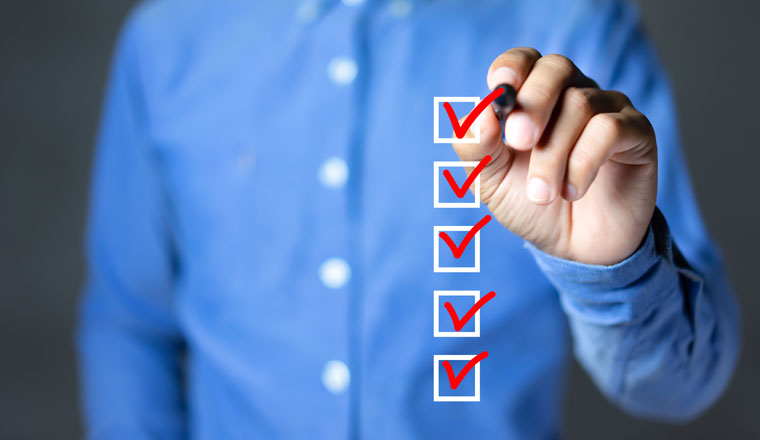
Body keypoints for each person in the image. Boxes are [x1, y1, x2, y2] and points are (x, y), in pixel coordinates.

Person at [77, 0, 740, 438]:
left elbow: (683, 385)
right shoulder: (164, 41)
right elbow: (130, 319)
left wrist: (611, 271)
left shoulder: (574, 24)